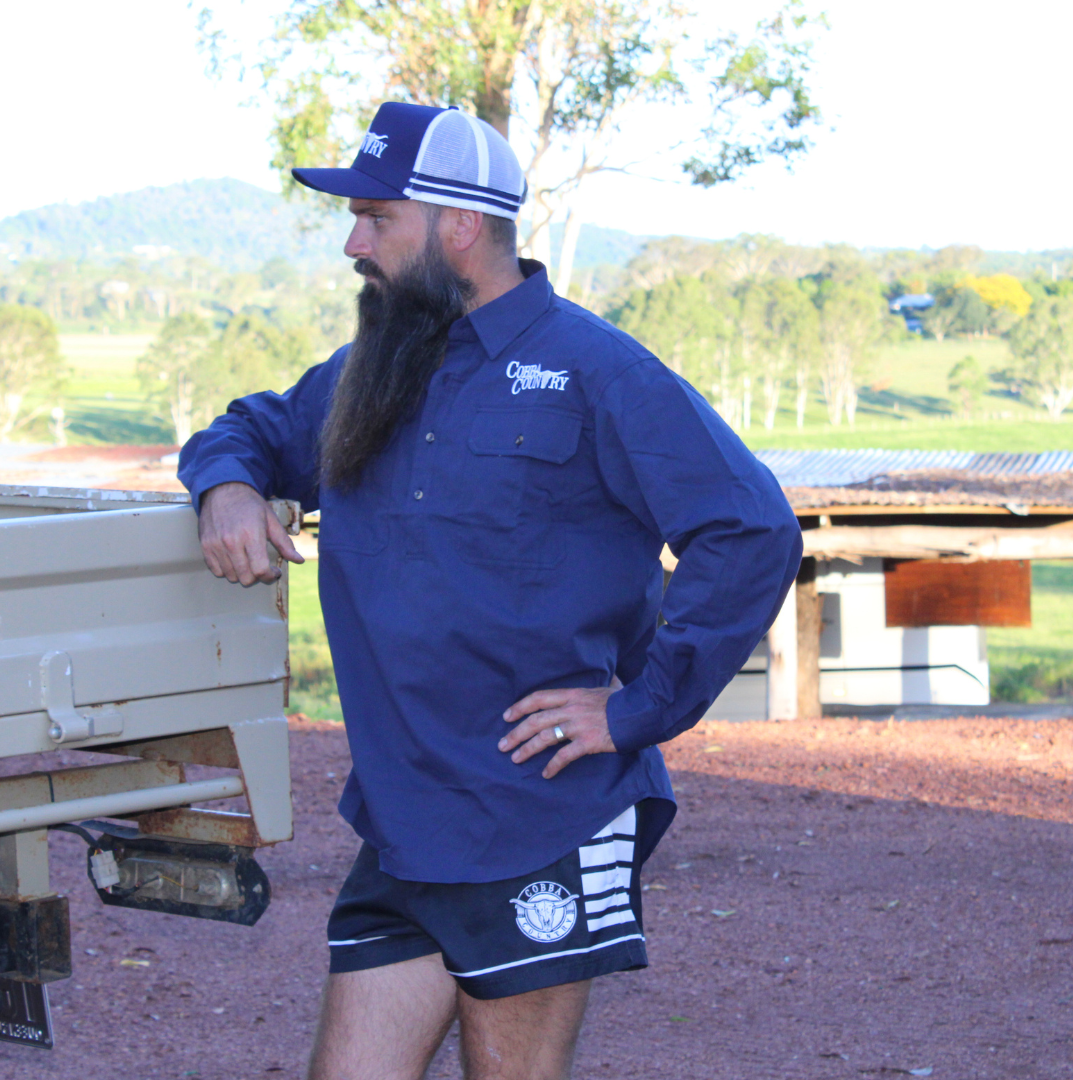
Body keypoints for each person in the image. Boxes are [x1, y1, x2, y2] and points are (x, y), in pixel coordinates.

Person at [179, 101, 803, 1080]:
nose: (353, 241)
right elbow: (252, 428)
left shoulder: (597, 372)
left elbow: (752, 528)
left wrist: (640, 708)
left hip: (540, 816)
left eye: (377, 217)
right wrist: (226, 486)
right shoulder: (371, 374)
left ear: (458, 223)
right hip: (404, 821)